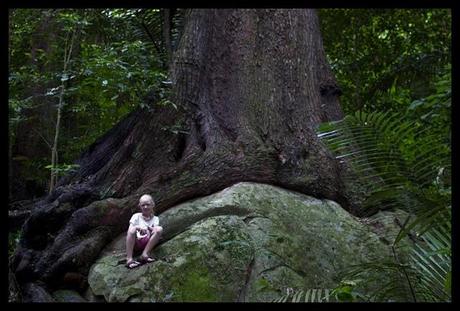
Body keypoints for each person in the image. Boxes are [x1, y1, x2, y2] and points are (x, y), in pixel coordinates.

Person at [125, 194, 163, 269]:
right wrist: (137, 227)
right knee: (132, 230)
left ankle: (144, 254)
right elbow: (130, 230)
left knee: (159, 229)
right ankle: (129, 259)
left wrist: (150, 229)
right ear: (140, 206)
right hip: (136, 242)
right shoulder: (136, 216)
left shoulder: (155, 219)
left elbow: (155, 231)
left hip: (146, 241)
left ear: (152, 205)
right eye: (143, 205)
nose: (145, 207)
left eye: (148, 204)